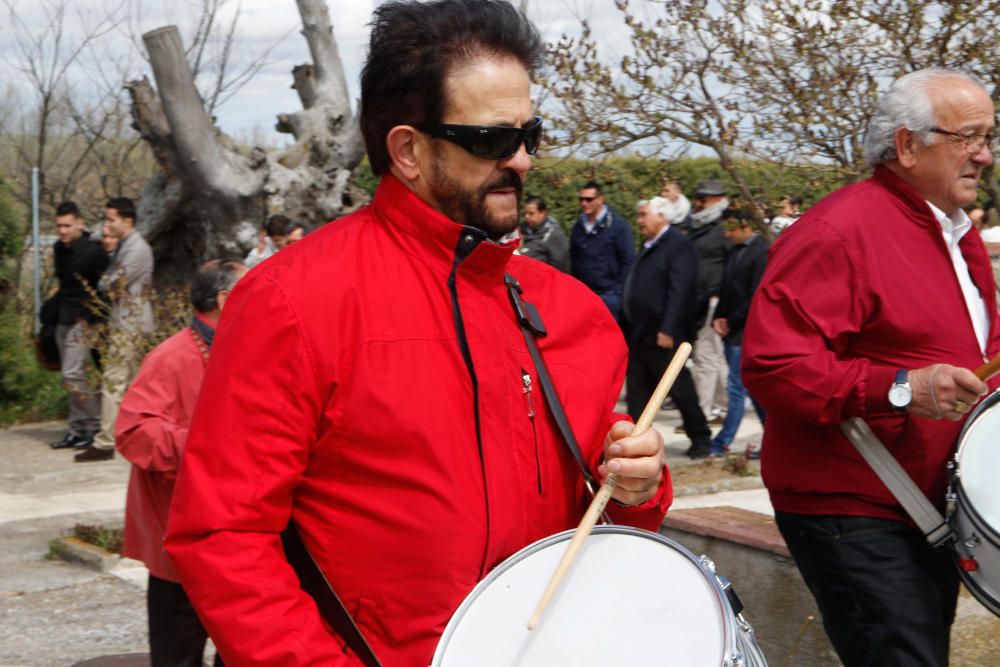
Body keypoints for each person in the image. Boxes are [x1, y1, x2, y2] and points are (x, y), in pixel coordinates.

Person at [164, 2, 670, 665]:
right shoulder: (293, 302)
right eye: (491, 139)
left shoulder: (572, 311)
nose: (520, 160)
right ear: (407, 149)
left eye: (530, 134)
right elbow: (222, 532)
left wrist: (638, 485)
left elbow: (605, 517)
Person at [743, 68, 999, 667]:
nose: (984, 156)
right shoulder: (837, 232)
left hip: (926, 502)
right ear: (908, 145)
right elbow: (775, 367)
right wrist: (906, 389)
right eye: (968, 137)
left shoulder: (957, 235)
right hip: (852, 507)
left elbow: (972, 350)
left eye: (990, 137)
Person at [116, 259, 245, 667]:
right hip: (181, 536)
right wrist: (205, 444)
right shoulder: (171, 357)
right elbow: (133, 432)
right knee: (177, 657)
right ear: (226, 300)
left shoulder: (246, 347)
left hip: (240, 537)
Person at [622, 197, 711, 458]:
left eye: (643, 215)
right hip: (641, 331)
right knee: (637, 390)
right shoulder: (651, 243)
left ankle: (701, 438)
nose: (639, 221)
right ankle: (636, 441)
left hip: (663, 333)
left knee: (679, 387)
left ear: (661, 216)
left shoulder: (677, 244)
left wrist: (669, 328)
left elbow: (680, 290)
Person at [76, 197, 155, 463]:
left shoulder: (137, 248)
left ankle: (106, 442)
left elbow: (112, 284)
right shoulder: (126, 246)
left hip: (131, 323)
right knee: (130, 383)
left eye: (111, 219)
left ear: (127, 221)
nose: (107, 225)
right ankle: (126, 437)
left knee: (114, 381)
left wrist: (105, 280)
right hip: (126, 321)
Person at [48, 202, 109, 451]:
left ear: (80, 224)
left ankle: (93, 425)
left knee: (73, 374)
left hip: (85, 319)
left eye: (67, 226)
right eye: (59, 226)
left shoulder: (94, 251)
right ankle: (77, 428)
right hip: (64, 317)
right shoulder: (58, 249)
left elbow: (103, 288)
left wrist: (91, 318)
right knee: (69, 376)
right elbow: (64, 285)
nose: (62, 231)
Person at [709, 209, 767, 457]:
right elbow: (726, 287)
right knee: (752, 390)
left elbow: (756, 294)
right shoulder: (733, 250)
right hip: (731, 328)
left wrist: (732, 320)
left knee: (736, 387)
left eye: (732, 228)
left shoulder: (761, 252)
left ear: (746, 227)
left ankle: (722, 442)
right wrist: (717, 317)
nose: (727, 233)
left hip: (746, 331)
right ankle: (776, 437)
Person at [683, 179, 731, 425]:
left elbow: (731, 263)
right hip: (699, 297)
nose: (697, 203)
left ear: (717, 198)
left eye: (703, 199)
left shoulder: (725, 225)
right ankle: (725, 406)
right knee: (715, 355)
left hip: (714, 298)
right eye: (697, 198)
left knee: (705, 355)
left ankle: (702, 412)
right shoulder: (697, 225)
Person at [570, 180, 635, 319]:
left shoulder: (617, 226)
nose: (584, 203)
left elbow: (628, 259)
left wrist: (618, 291)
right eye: (581, 199)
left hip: (609, 295)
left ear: (600, 199)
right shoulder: (578, 227)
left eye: (589, 199)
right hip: (584, 294)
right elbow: (574, 259)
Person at [517, 194, 569, 271]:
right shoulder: (520, 231)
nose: (526, 217)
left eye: (531, 213)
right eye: (525, 213)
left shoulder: (554, 236)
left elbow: (560, 269)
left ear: (542, 213)